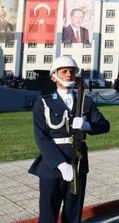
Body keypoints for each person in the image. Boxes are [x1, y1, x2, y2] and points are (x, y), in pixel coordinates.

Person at [29, 56, 110, 223]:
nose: (68, 74)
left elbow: (104, 125)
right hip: (52, 165)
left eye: (72, 71)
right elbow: (41, 137)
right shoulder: (43, 103)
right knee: (48, 213)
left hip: (78, 162)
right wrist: (60, 163)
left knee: (73, 213)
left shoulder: (85, 102)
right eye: (64, 71)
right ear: (54, 76)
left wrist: (87, 126)